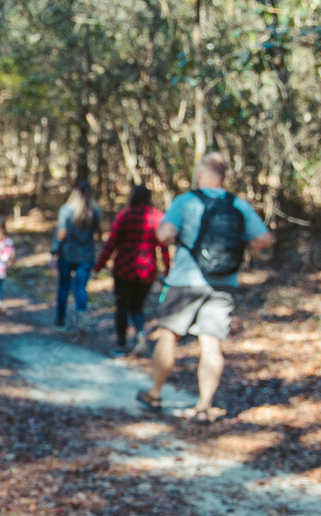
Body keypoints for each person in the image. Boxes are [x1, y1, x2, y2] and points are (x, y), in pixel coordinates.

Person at [137, 152, 273, 423]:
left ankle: (155, 393)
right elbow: (264, 238)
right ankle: (203, 406)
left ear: (200, 172)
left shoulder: (185, 201)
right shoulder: (239, 205)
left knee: (168, 336)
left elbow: (163, 235)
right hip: (224, 283)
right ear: (224, 175)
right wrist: (239, 247)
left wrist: (173, 236)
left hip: (186, 279)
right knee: (211, 344)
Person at [94, 184, 171, 357]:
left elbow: (110, 244)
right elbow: (164, 248)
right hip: (147, 271)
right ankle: (140, 335)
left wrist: (98, 266)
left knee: (122, 306)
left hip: (124, 269)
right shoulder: (158, 217)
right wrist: (167, 269)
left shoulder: (124, 216)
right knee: (138, 307)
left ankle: (121, 346)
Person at [52, 181, 102, 330]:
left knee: (64, 287)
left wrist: (54, 251)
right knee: (80, 288)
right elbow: (97, 234)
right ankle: (81, 315)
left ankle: (60, 320)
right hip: (86, 256)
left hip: (67, 254)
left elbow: (61, 233)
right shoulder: (95, 211)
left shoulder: (67, 210)